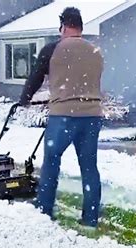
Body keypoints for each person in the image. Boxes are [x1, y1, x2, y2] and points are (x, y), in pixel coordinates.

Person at [19, 7, 104, 227]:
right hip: (92, 117)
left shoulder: (52, 49)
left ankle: (45, 209)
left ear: (63, 27)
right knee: (89, 166)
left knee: (51, 162)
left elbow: (36, 78)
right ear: (81, 28)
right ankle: (91, 217)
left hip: (63, 116)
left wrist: (24, 99)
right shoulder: (95, 51)